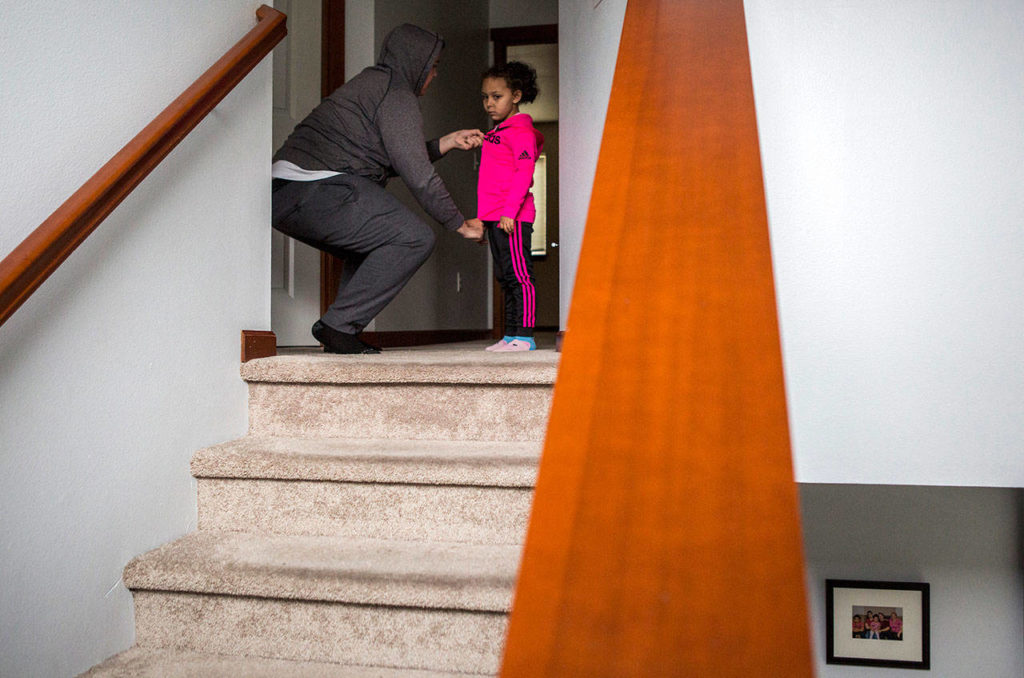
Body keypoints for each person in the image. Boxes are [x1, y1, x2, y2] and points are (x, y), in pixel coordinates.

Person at [271, 23, 485, 354]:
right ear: (416, 62)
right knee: (414, 237)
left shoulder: (374, 83)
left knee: (375, 241)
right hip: (314, 186)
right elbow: (418, 174)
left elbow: (391, 158)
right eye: (434, 66)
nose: (435, 75)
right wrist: (458, 222)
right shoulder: (397, 94)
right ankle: (337, 325)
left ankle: (341, 330)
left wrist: (447, 142)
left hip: (290, 190)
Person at [476, 61, 544, 352]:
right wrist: (482, 220)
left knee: (519, 276)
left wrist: (509, 212)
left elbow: (524, 173)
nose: (489, 103)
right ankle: (510, 335)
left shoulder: (521, 133)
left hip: (512, 217)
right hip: (494, 217)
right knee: (505, 277)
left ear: (515, 96)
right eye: (485, 97)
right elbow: (489, 181)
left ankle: (525, 336)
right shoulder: (496, 134)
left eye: (496, 96)